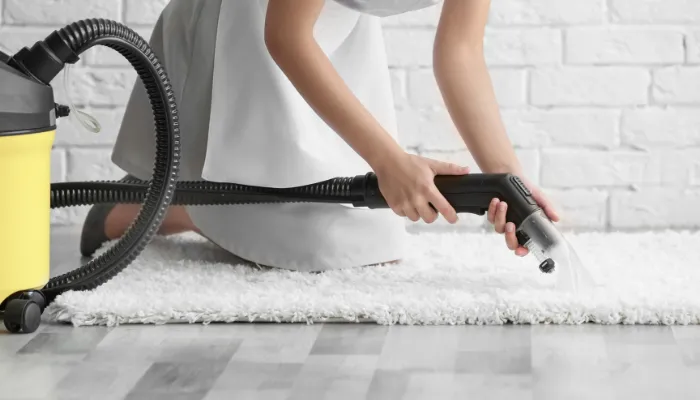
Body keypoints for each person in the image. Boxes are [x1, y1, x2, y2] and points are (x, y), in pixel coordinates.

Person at [80, 0, 559, 272]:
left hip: (338, 35)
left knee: (371, 246)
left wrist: (512, 185)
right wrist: (390, 162)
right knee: (314, 249)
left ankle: (206, 202)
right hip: (248, 27)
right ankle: (165, 205)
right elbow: (285, 35)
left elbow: (459, 51)